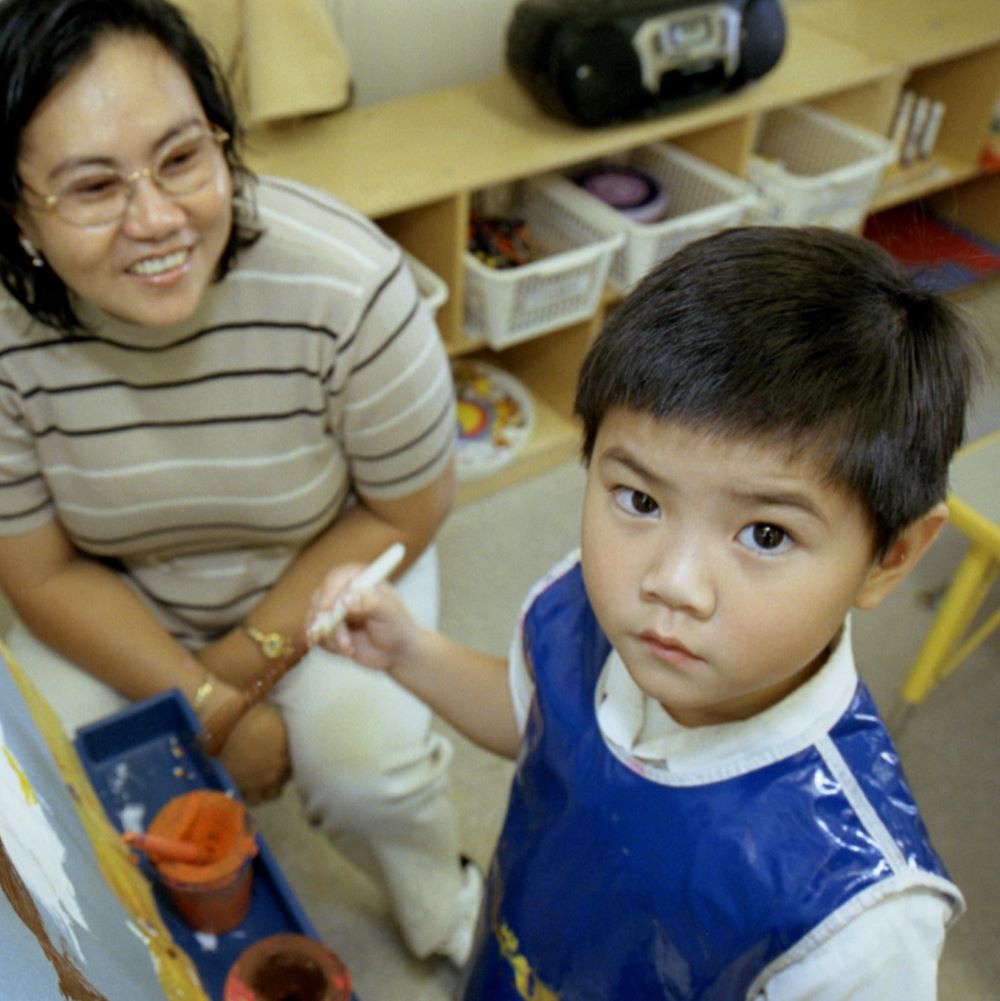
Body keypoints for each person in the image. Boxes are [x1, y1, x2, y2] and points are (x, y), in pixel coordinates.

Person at [310, 225, 983, 999]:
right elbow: (541, 718)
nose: (673, 582)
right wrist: (408, 652)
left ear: (890, 556)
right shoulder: (589, 607)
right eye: (640, 499)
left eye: (766, 533)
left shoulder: (855, 919)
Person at [0, 0, 480, 966]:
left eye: (182, 157)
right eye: (92, 186)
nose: (157, 218)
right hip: (114, 593)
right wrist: (210, 705)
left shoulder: (350, 283)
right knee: (42, 783)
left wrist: (220, 685)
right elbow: (41, 573)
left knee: (370, 765)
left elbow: (407, 504)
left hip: (323, 567)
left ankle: (444, 908)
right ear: (17, 216)